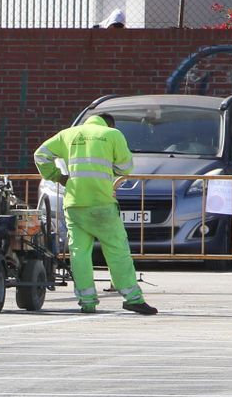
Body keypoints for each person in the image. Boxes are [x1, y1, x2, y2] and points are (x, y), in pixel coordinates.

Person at [33, 112, 157, 315]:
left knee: (79, 253)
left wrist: (57, 176)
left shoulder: (68, 134)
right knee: (117, 251)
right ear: (110, 124)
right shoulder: (112, 134)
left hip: (74, 203)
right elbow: (126, 167)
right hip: (101, 203)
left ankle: (87, 301)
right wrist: (110, 171)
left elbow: (40, 155)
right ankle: (132, 298)